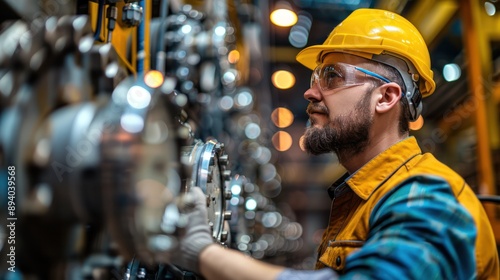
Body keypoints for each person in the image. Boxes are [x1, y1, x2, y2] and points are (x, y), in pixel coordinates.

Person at [171, 8, 500, 280]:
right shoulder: (368, 197)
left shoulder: (426, 197)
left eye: (332, 77)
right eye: (316, 79)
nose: (310, 92)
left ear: (385, 97)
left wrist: (204, 254)